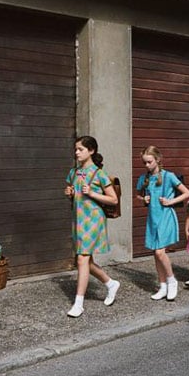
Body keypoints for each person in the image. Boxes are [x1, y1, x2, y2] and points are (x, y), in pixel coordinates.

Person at [63, 136, 120, 318]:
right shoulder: (73, 173)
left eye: (80, 149)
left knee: (81, 259)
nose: (76, 152)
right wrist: (69, 193)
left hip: (94, 220)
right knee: (85, 261)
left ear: (91, 151)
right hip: (79, 219)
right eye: (76, 149)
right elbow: (74, 195)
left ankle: (78, 303)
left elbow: (113, 199)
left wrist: (93, 193)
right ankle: (111, 283)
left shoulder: (99, 174)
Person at [136, 146, 189, 301]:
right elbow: (138, 195)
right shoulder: (144, 178)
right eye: (144, 163)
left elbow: (187, 193)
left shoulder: (169, 176)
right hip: (153, 218)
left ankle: (171, 280)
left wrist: (170, 201)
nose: (146, 165)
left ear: (158, 160)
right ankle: (163, 286)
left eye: (149, 162)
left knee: (160, 252)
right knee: (156, 253)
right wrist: (143, 199)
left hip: (166, 216)